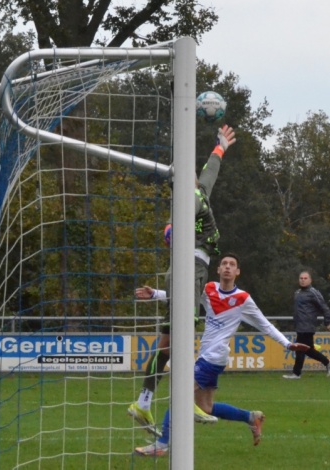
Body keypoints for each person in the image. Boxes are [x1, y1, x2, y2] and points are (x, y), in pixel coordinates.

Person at [135, 253, 311, 457]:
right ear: (218, 270)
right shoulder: (208, 289)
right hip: (206, 356)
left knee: (180, 395)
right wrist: (155, 294)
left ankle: (163, 444)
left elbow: (265, 325)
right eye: (224, 264)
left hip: (214, 357)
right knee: (206, 407)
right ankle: (250, 417)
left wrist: (288, 344)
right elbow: (183, 295)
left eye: (232, 264)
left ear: (237, 272)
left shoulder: (243, 299)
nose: (227, 267)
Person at [128, 125, 236, 437]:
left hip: (182, 272)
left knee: (166, 345)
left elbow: (210, 173)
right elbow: (176, 226)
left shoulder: (198, 190)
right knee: (183, 338)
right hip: (191, 268)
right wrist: (171, 231)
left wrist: (220, 147)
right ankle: (190, 401)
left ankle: (143, 402)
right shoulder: (190, 198)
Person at [282, 270, 330, 379]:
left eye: (305, 278)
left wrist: (328, 321)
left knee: (301, 349)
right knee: (307, 350)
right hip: (300, 326)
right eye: (301, 278)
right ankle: (327, 362)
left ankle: (296, 373)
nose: (303, 280)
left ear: (310, 280)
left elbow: (324, 307)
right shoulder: (297, 293)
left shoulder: (313, 292)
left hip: (307, 326)